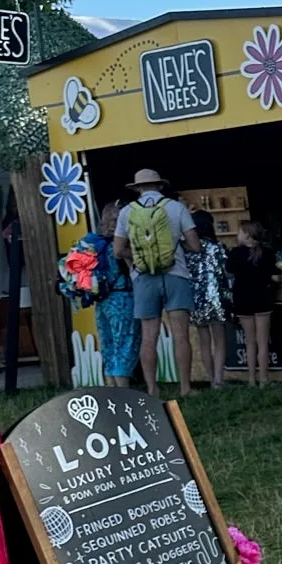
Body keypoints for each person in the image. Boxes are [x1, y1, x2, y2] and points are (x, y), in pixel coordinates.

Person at [114, 167, 199, 397]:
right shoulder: (176, 207)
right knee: (181, 335)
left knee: (149, 337)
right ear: (160, 185)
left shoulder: (126, 212)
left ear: (137, 188)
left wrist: (139, 260)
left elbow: (118, 250)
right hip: (176, 274)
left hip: (143, 279)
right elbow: (195, 245)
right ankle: (185, 387)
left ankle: (152, 389)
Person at [90, 200, 137, 386]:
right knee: (125, 343)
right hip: (123, 298)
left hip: (102, 301)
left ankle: (110, 389)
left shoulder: (95, 245)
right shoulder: (120, 246)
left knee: (108, 345)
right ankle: (124, 392)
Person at [228, 219, 279, 386]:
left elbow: (229, 270)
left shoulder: (236, 253)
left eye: (240, 232)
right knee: (263, 342)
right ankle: (264, 378)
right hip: (262, 298)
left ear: (247, 234)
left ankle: (251, 379)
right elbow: (275, 274)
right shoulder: (267, 253)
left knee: (249, 342)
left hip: (242, 299)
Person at [188, 209, 232, 390]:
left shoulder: (188, 249)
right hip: (216, 299)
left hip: (196, 299)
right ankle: (219, 380)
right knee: (220, 340)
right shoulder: (218, 247)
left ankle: (211, 376)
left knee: (203, 340)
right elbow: (226, 271)